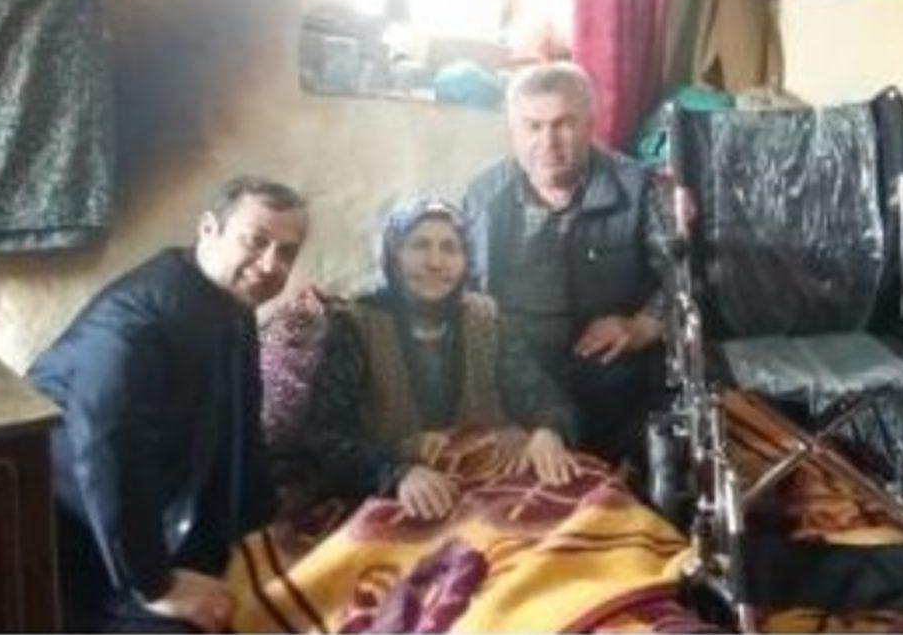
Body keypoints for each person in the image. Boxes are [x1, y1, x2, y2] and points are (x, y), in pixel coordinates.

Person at [28, 176, 308, 633]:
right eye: (256, 241)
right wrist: (156, 585)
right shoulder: (136, 319)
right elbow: (106, 452)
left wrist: (260, 523)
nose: (270, 265)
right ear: (208, 229)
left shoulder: (230, 305)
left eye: (287, 252)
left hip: (148, 518)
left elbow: (241, 428)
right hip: (77, 539)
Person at [273, 198, 579, 521]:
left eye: (450, 248)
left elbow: (541, 395)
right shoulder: (356, 325)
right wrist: (395, 473)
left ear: (466, 260)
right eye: (419, 246)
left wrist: (549, 431)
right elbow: (326, 435)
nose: (435, 262)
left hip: (491, 483)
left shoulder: (486, 319)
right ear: (394, 255)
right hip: (397, 496)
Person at [463, 61, 667, 473]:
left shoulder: (637, 189)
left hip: (607, 374)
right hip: (513, 370)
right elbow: (459, 286)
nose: (548, 142)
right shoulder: (484, 196)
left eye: (563, 124)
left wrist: (640, 326)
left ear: (590, 124)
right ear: (513, 131)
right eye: (533, 127)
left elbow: (686, 281)